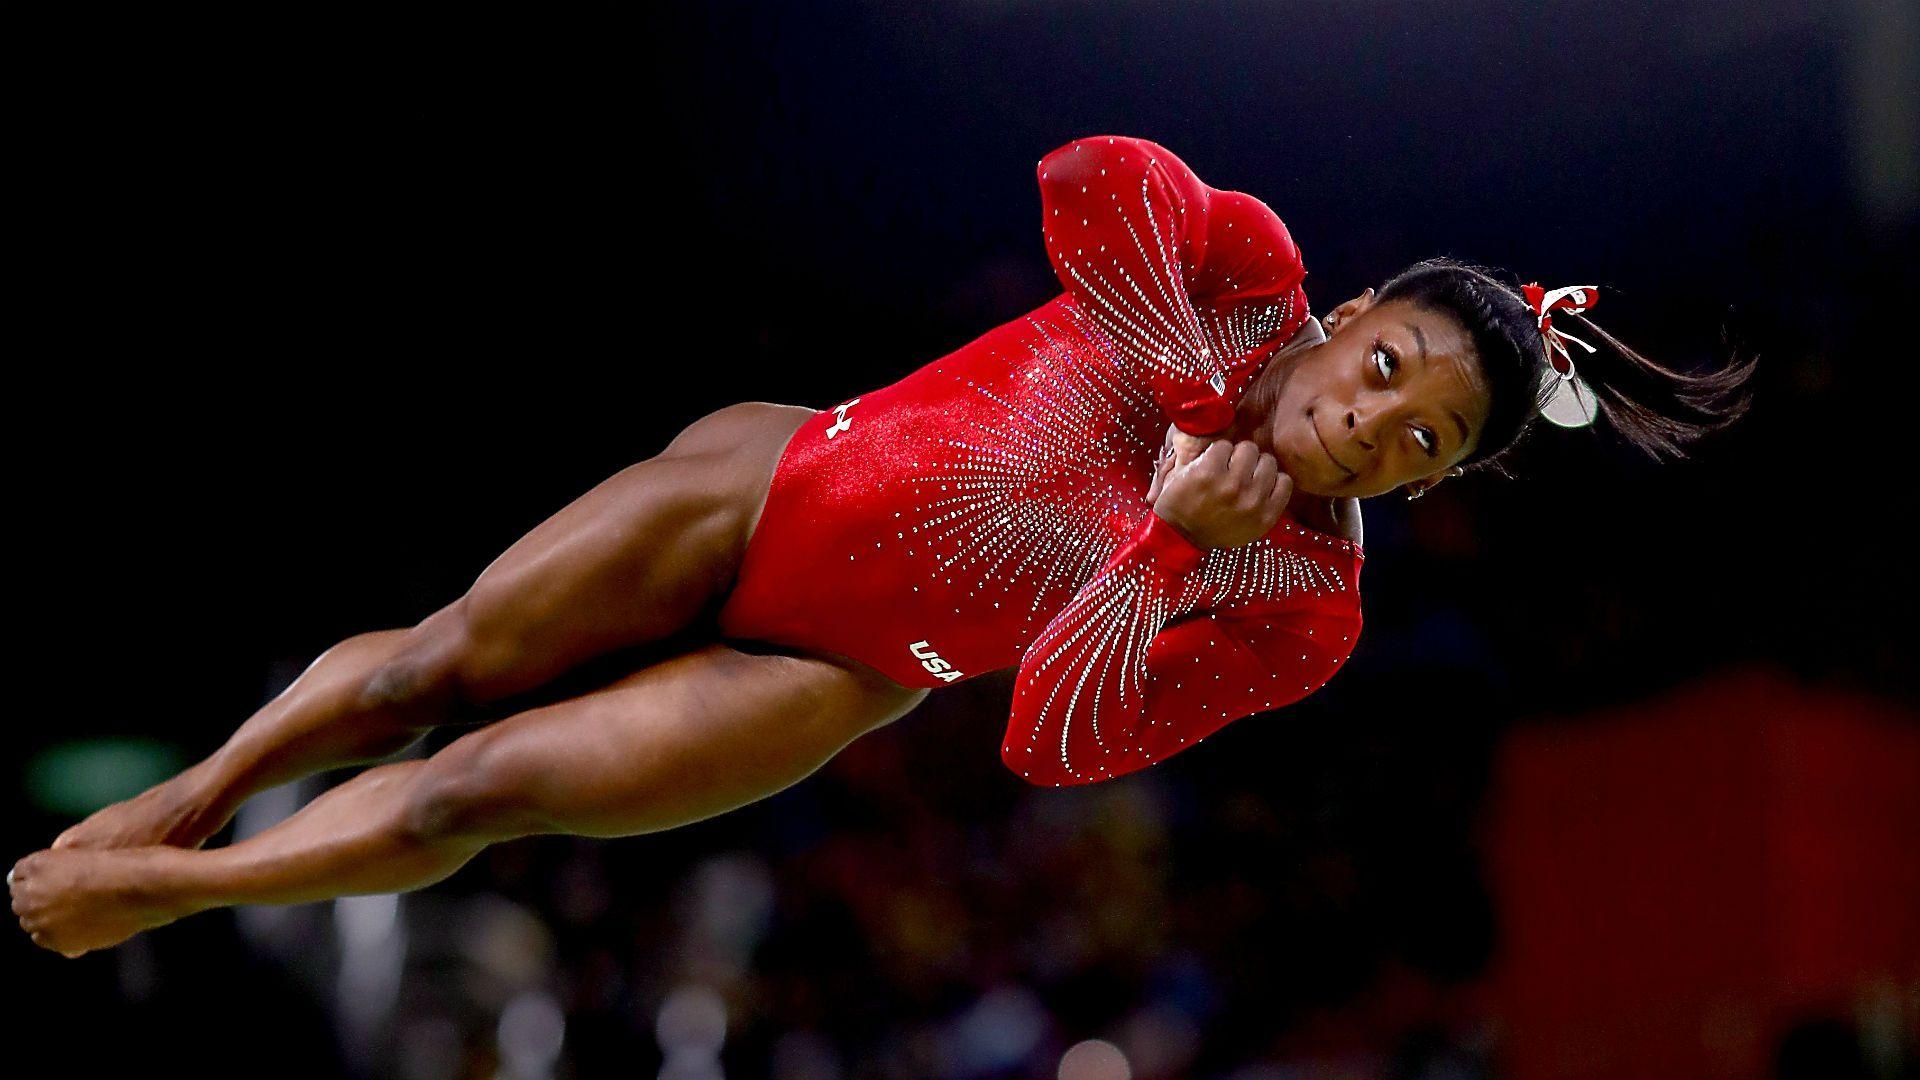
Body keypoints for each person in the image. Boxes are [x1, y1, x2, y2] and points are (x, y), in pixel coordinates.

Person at [9, 135, 1752, 958]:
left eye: (1421, 441)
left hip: (834, 673)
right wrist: (1200, 413)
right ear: (1352, 315)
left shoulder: (1302, 603)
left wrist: (1159, 546)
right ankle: (204, 784)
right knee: (428, 666)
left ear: (1433, 484)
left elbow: (1052, 742)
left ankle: (171, 887)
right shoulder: (1246, 277)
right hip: (772, 481)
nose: (1377, 425)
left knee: (483, 792)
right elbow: (1088, 181)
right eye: (1388, 373)